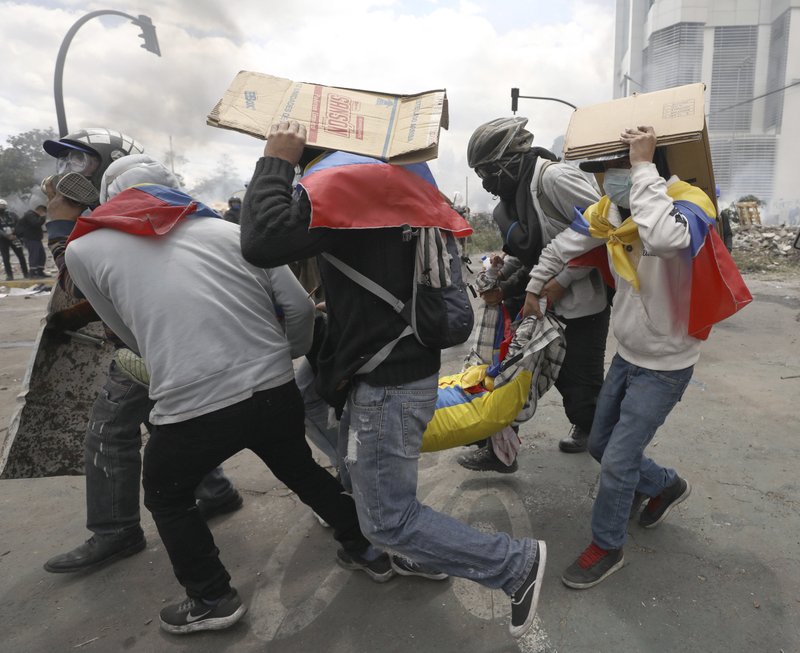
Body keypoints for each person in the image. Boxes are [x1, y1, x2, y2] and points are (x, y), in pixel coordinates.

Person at [239, 120, 547, 640]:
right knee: (307, 401)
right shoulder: (390, 181)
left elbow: (262, 239)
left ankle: (515, 566)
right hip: (390, 362)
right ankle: (394, 520)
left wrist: (275, 159)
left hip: (388, 379)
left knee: (386, 521)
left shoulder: (344, 183)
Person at [523, 125, 749, 589]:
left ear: (643, 167)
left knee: (620, 458)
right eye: (603, 173)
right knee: (602, 445)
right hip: (628, 354)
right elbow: (564, 245)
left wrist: (644, 166)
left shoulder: (690, 204)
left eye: (612, 170)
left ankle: (607, 546)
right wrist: (533, 286)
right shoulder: (611, 211)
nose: (606, 182)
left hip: (667, 363)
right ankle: (666, 484)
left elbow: (666, 239)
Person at [41, 131, 242, 575]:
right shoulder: (149, 211)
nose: (69, 172)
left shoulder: (122, 219)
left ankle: (115, 530)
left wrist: (59, 227)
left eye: (81, 161)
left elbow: (79, 279)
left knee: (110, 432)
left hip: (150, 344)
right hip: (164, 340)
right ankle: (214, 490)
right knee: (164, 418)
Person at [460, 117, 610, 472]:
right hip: (536, 297)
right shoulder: (513, 196)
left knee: (579, 378)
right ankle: (499, 449)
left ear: (510, 161)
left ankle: (596, 434)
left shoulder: (554, 179)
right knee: (513, 372)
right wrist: (503, 269)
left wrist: (560, 282)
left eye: (489, 171)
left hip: (580, 300)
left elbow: (606, 229)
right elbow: (532, 247)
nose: (486, 182)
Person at [15, 204, 48, 278]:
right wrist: (43, 217)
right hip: (30, 239)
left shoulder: (35, 215)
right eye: (44, 212)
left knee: (41, 255)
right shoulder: (30, 215)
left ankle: (40, 271)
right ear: (40, 210)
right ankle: (33, 273)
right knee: (34, 255)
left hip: (36, 239)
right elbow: (36, 223)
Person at [1, 199, 29, 280]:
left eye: (3, 206)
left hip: (14, 237)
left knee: (21, 256)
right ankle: (9, 275)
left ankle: (26, 273)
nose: (2, 207)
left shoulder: (11, 214)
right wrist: (6, 236)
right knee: (5, 258)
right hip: (3, 240)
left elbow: (19, 224)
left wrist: (15, 233)